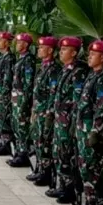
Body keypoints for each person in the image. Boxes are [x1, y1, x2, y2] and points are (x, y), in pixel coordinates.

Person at [71, 40, 103, 205]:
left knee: (91, 168)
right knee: (84, 167)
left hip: (93, 132)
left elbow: (102, 108)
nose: (89, 57)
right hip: (83, 129)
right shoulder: (92, 76)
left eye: (93, 54)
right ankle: (89, 203)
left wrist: (95, 131)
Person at [47, 37, 90, 200]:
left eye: (64, 50)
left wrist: (72, 123)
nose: (61, 52)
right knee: (59, 152)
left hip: (68, 120)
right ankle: (63, 185)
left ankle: (70, 188)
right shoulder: (65, 69)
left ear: (73, 52)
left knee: (67, 153)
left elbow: (77, 100)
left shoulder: (78, 71)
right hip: (60, 119)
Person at [28, 37, 62, 186]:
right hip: (38, 110)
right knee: (38, 140)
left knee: (45, 142)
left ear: (50, 51)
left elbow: (53, 94)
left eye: (42, 48)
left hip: (46, 113)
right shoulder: (42, 67)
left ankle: (46, 173)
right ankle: (40, 169)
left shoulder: (54, 70)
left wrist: (49, 114)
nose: (39, 50)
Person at [7, 33, 37, 167]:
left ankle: (23, 154)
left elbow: (28, 83)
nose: (17, 45)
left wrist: (24, 102)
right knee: (16, 126)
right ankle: (19, 152)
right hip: (16, 97)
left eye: (20, 43)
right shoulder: (21, 58)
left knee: (22, 127)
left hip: (21, 99)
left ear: (25, 45)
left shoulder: (28, 60)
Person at [0, 32, 15, 156]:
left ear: (7, 43)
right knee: (0, 119)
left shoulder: (9, 58)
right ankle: (2, 144)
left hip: (4, 95)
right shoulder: (3, 57)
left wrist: (3, 93)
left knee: (4, 120)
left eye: (1, 40)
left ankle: (6, 145)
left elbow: (8, 78)